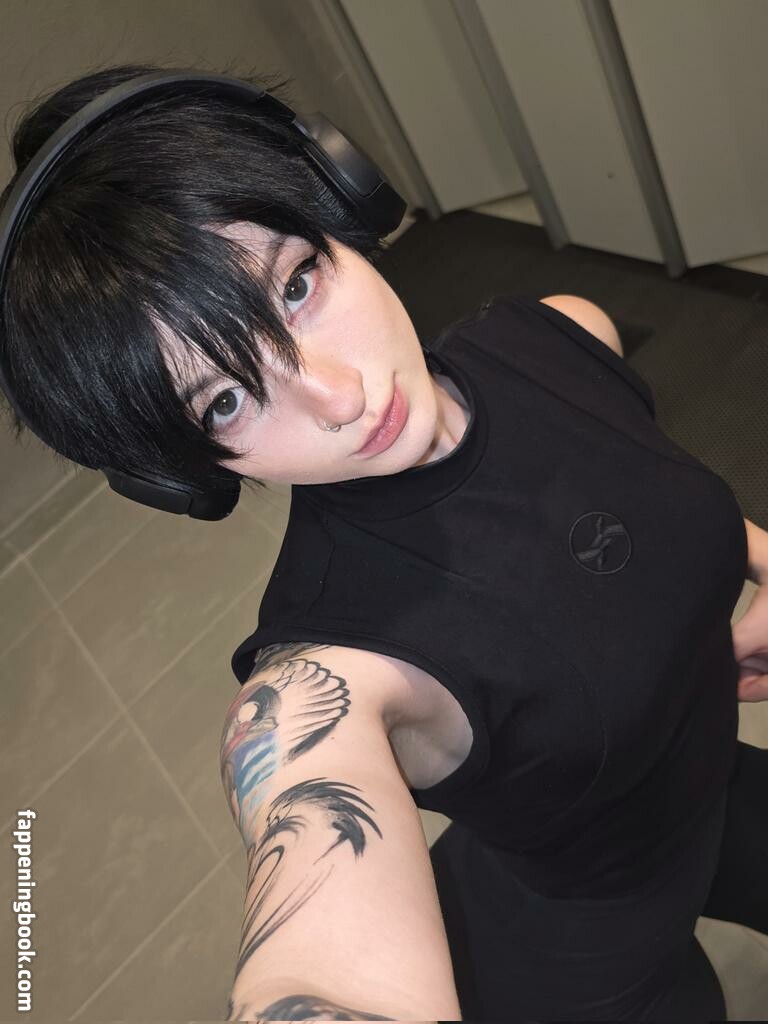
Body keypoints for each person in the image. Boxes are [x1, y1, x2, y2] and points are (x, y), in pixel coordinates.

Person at [2, 62, 767, 1022]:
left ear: (342, 203)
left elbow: (643, 489)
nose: (338, 396)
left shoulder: (558, 335)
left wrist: (753, 554)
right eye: (226, 400)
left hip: (718, 781)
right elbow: (305, 832)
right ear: (183, 473)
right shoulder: (329, 669)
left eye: (296, 285)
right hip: (590, 953)